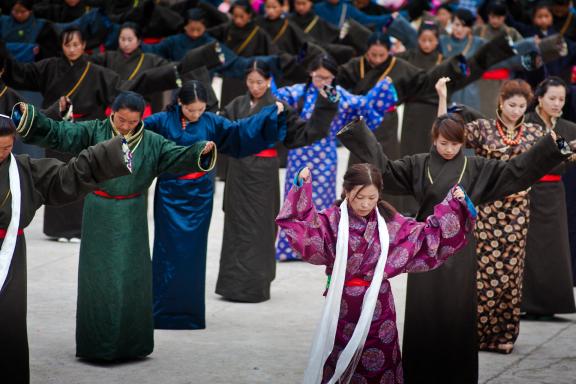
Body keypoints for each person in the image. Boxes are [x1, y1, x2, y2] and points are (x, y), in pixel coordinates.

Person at [336, 94, 574, 382]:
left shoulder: (476, 168)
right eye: (443, 142)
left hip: (460, 249)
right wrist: (360, 134)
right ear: (434, 138)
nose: (449, 149)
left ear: (464, 143)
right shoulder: (418, 164)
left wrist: (550, 150)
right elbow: (385, 171)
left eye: (455, 143)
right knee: (424, 313)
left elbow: (515, 171)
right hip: (424, 248)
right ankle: (420, 373)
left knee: (457, 313)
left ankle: (457, 375)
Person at [12, 91, 217, 361]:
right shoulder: (94, 131)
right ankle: (97, 345)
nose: (125, 126)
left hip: (133, 215)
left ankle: (133, 344)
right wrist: (31, 119)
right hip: (100, 210)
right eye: (121, 120)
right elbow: (60, 133)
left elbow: (177, 156)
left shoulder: (153, 142)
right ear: (113, 112)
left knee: (133, 280)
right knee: (99, 280)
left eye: (132, 122)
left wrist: (198, 151)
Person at [276, 163, 476, 383]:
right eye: (359, 196)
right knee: (339, 360)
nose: (365, 204)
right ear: (346, 190)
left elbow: (426, 236)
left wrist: (454, 205)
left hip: (379, 308)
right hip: (342, 307)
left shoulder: (390, 223)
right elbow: (303, 226)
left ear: (379, 194)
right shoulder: (332, 220)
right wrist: (301, 186)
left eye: (372, 198)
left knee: (381, 366)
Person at [144, 80, 287, 329]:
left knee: (193, 255)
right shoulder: (162, 121)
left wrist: (268, 114)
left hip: (200, 196)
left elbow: (240, 130)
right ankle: (162, 313)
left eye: (200, 109)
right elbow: (136, 133)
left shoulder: (211, 121)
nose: (197, 114)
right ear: (180, 102)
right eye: (191, 110)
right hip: (169, 194)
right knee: (166, 252)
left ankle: (189, 315)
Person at [0, 114, 132, 384]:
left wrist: (106, 156)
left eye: (8, 147)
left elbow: (65, 176)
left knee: (8, 327)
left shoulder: (23, 170)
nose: (3, 153)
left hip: (9, 256)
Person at [437, 77, 551, 354]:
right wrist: (442, 96)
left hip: (518, 211)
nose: (516, 110)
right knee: (485, 273)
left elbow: (560, 153)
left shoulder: (536, 133)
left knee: (512, 273)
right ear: (500, 102)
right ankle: (476, 333)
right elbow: (447, 132)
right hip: (487, 209)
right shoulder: (483, 129)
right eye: (511, 104)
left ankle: (504, 335)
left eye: (522, 106)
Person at [216, 60, 338, 303]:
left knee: (261, 226)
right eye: (250, 82)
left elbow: (304, 132)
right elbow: (223, 130)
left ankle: (255, 285)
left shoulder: (278, 106)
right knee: (236, 225)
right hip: (239, 170)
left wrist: (325, 107)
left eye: (260, 82)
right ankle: (231, 285)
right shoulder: (237, 104)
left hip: (263, 172)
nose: (255, 86)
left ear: (270, 81)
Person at [274, 54, 398, 261]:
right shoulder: (298, 92)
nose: (323, 82)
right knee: (295, 199)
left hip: (326, 155)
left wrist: (382, 89)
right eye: (319, 77)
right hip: (299, 152)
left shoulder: (339, 95)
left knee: (321, 204)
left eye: (328, 78)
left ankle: (321, 248)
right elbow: (276, 97)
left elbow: (364, 105)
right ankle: (291, 248)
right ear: (311, 73)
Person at [522, 76, 576, 319]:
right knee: (529, 248)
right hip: (527, 190)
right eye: (552, 98)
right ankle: (527, 303)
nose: (556, 103)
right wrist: (563, 153)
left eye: (561, 99)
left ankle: (551, 304)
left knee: (555, 248)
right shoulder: (526, 123)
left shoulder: (568, 127)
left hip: (554, 192)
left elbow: (564, 162)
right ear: (540, 98)